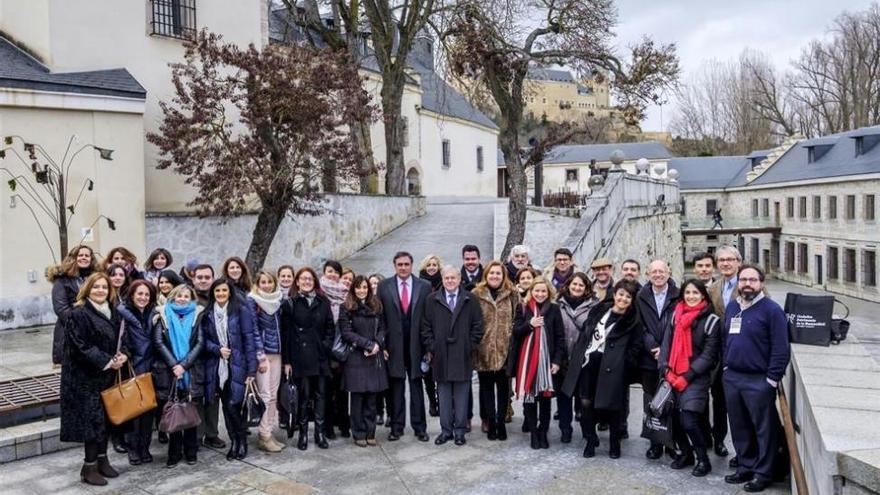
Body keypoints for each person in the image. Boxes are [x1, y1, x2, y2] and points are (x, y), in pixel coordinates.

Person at [722, 265, 790, 493]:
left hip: (759, 380)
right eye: (743, 280)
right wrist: (725, 367)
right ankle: (745, 465)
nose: (747, 284)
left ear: (761, 282)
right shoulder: (732, 307)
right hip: (733, 378)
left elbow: (781, 348)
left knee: (764, 430)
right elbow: (725, 340)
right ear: (738, 283)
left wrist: (771, 379)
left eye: (752, 279)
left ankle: (764, 473)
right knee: (739, 427)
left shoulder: (772, 310)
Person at [561, 280, 643, 459]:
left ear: (632, 300)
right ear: (614, 295)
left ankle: (615, 443)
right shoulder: (599, 310)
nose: (623, 299)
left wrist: (624, 363)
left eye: (628, 296)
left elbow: (635, 347)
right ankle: (590, 439)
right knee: (585, 403)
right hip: (589, 363)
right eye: (621, 294)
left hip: (613, 369)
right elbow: (586, 332)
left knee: (613, 407)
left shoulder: (633, 320)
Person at [59, 272, 127, 486]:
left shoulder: (113, 311)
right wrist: (107, 361)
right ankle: (89, 468)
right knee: (92, 422)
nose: (100, 291)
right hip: (85, 378)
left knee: (105, 420)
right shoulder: (78, 314)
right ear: (88, 289)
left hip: (107, 376)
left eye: (104, 288)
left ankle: (102, 460)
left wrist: (123, 354)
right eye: (96, 287)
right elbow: (80, 347)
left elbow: (122, 338)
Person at [658, 279, 721, 477]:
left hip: (695, 378)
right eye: (687, 293)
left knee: (689, 420)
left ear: (703, 295)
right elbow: (665, 344)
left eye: (695, 293)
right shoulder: (675, 316)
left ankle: (703, 459)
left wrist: (687, 376)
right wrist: (666, 370)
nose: (691, 296)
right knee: (673, 419)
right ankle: (685, 453)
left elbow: (709, 355)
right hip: (672, 374)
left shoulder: (712, 321)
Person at [423, 266, 484, 446]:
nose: (450, 281)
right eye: (447, 278)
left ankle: (459, 431)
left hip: (462, 354)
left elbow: (478, 325)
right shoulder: (432, 299)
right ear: (442, 279)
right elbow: (425, 326)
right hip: (441, 354)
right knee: (443, 394)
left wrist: (469, 346)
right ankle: (446, 430)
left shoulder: (470, 299)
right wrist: (433, 346)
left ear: (459, 279)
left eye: (453, 278)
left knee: (461, 395)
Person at [377, 251, 432, 442]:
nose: (403, 267)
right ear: (394, 266)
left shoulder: (425, 286)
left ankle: (420, 428)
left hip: (417, 346)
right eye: (399, 264)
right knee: (396, 389)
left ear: (412, 265)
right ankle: (396, 427)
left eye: (406, 264)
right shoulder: (384, 287)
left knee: (417, 387)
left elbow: (428, 318)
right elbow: (380, 318)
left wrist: (428, 348)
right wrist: (381, 343)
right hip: (393, 347)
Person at [280, 267, 336, 450]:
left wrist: (325, 346)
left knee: (320, 395)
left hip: (320, 357)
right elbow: (286, 334)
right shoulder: (290, 303)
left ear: (314, 282)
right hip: (300, 357)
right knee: (303, 397)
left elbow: (330, 328)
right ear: (297, 282)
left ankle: (319, 433)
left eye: (310, 279)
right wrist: (287, 361)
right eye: (303, 279)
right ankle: (303, 433)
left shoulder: (323, 301)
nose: (306, 282)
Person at [152, 284, 207, 468]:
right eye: (179, 295)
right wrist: (174, 365)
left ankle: (191, 451)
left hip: (190, 372)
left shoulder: (198, 315)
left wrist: (183, 365)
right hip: (169, 372)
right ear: (173, 297)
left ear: (191, 298)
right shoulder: (163, 314)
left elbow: (200, 343)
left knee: (190, 412)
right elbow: (158, 342)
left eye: (186, 296)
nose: (182, 298)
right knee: (174, 411)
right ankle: (174, 453)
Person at [203, 278, 257, 461]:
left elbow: (249, 341)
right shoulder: (208, 313)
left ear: (230, 293)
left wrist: (251, 371)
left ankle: (242, 442)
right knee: (227, 407)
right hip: (219, 369)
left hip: (238, 366)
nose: (220, 294)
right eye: (217, 291)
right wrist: (217, 350)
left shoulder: (241, 311)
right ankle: (234, 442)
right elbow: (204, 341)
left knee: (236, 406)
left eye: (224, 291)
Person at [509, 276, 566, 449]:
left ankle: (543, 431)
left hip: (547, 362)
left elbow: (560, 337)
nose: (540, 294)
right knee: (529, 398)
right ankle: (534, 432)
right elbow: (516, 332)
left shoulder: (554, 310)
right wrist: (530, 324)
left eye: (543, 291)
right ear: (531, 291)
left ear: (548, 292)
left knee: (545, 399)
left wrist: (557, 361)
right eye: (537, 290)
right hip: (526, 363)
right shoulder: (523, 307)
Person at [636, 259, 680, 460]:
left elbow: (679, 326)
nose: (658, 275)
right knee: (651, 401)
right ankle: (655, 442)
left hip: (673, 357)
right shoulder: (641, 296)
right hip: (649, 358)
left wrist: (666, 350)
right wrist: (654, 347)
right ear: (647, 274)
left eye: (661, 271)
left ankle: (671, 442)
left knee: (671, 401)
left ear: (668, 273)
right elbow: (640, 326)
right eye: (654, 272)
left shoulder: (678, 295)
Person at [339, 276, 388, 447]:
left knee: (372, 398)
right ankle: (358, 433)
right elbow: (346, 332)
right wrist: (366, 344)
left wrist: (377, 344)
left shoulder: (376, 306)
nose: (362, 290)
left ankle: (370, 432)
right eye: (358, 287)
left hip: (374, 356)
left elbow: (383, 328)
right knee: (358, 398)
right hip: (356, 357)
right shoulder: (346, 308)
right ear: (353, 289)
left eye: (365, 287)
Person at [472, 260, 518, 441]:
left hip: (505, 349)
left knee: (503, 389)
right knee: (486, 389)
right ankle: (490, 422)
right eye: (491, 273)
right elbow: (473, 321)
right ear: (486, 275)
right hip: (484, 349)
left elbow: (516, 317)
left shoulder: (511, 293)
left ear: (503, 275)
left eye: (498, 273)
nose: (495, 276)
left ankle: (501, 422)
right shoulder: (477, 294)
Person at [117, 280, 158, 466]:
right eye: (139, 294)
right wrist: (127, 356)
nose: (143, 298)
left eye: (147, 295)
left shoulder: (154, 313)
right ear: (132, 295)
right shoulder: (122, 314)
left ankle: (145, 447)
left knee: (148, 411)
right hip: (133, 368)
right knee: (134, 412)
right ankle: (133, 449)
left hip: (151, 368)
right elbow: (121, 341)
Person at [708, 245, 743, 461]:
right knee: (718, 399)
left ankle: (743, 450)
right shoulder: (713, 288)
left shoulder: (749, 283)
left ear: (738, 262)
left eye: (730, 259)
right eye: (721, 260)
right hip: (718, 354)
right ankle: (719, 439)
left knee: (738, 404)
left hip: (740, 353)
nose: (726, 264)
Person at [555, 272, 599, 443]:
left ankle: (586, 429)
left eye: (581, 285)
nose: (577, 288)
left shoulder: (594, 307)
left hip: (583, 359)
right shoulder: (558, 305)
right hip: (562, 358)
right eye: (574, 284)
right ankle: (565, 429)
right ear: (568, 285)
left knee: (583, 397)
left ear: (586, 288)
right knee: (563, 396)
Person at [248, 271, 286, 453]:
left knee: (273, 395)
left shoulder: (279, 300)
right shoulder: (253, 301)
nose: (266, 285)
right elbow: (253, 330)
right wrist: (260, 355)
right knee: (265, 395)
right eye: (263, 282)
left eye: (270, 282)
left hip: (277, 353)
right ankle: (263, 435)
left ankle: (268, 431)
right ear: (257, 283)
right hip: (263, 355)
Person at [188, 264, 224, 449]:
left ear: (212, 278)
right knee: (196, 396)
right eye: (199, 277)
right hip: (193, 355)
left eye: (207, 277)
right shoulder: (187, 298)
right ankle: (196, 435)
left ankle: (212, 433)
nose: (203, 280)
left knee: (213, 395)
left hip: (213, 355)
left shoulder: (216, 297)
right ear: (193, 279)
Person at [49, 244, 98, 365]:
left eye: (87, 255)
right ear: (73, 258)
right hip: (70, 331)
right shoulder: (62, 279)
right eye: (80, 255)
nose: (84, 258)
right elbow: (61, 309)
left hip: (95, 331)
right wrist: (82, 324)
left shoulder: (96, 277)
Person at [319, 260, 351, 439]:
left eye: (335, 271)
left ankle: (344, 425)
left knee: (342, 390)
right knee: (326, 390)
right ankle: (328, 426)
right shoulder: (320, 294)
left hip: (342, 350)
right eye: (329, 271)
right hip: (325, 350)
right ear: (324, 273)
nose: (332, 274)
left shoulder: (346, 295)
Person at [417, 255, 443, 416]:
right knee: (427, 372)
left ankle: (441, 401)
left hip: (440, 332)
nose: (432, 267)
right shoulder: (419, 285)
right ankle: (432, 403)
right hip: (424, 332)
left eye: (434, 265)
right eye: (429, 265)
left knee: (439, 371)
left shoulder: (444, 283)